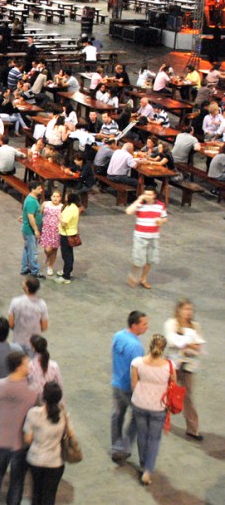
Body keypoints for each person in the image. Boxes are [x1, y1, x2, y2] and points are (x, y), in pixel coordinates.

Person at [0, 351, 39, 505]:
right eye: (26, 363)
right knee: (17, 482)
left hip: (0, 441)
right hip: (21, 445)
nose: (29, 366)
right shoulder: (33, 390)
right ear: (18, 367)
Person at [130, 334, 172, 486]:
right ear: (163, 348)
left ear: (149, 345)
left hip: (140, 404)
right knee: (154, 439)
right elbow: (172, 385)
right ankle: (148, 470)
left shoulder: (137, 363)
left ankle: (143, 464)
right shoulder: (169, 365)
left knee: (142, 435)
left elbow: (134, 384)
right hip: (158, 407)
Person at [111, 310, 148, 463]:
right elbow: (138, 371)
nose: (147, 326)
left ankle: (116, 445)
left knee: (117, 414)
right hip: (129, 387)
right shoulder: (136, 347)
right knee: (138, 417)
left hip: (116, 383)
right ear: (134, 325)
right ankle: (124, 448)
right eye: (144, 324)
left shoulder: (118, 336)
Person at [164, 298, 204, 441]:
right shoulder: (171, 324)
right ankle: (159, 417)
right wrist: (189, 342)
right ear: (179, 310)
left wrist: (185, 343)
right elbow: (172, 341)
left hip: (189, 366)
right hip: (173, 364)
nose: (188, 312)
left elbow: (198, 347)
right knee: (167, 390)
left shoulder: (195, 326)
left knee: (188, 397)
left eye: (190, 309)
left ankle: (193, 429)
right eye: (186, 309)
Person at [23, 382, 69, 505]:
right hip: (55, 462)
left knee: (36, 494)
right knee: (49, 496)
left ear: (43, 396)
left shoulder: (33, 413)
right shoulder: (64, 415)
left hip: (35, 460)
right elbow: (67, 434)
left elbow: (27, 440)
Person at [125, 187, 167, 290]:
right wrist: (139, 200)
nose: (147, 196)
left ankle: (143, 278)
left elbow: (164, 218)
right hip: (140, 236)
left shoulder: (160, 206)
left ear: (154, 195)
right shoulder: (140, 205)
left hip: (153, 237)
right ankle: (134, 275)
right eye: (145, 194)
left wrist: (161, 221)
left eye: (149, 194)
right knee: (138, 260)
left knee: (149, 260)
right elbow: (128, 211)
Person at [8, 275, 48, 354]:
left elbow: (11, 323)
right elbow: (44, 326)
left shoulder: (15, 302)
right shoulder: (42, 304)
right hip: (34, 344)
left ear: (26, 288)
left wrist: (18, 329)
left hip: (18, 342)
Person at [28, 335, 63, 403]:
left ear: (33, 348)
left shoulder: (29, 366)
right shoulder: (54, 365)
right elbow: (60, 385)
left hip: (36, 402)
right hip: (52, 401)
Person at [57, 192, 81, 284]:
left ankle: (66, 276)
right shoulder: (70, 206)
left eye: (67, 196)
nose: (65, 197)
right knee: (68, 254)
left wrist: (59, 217)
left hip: (67, 235)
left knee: (67, 255)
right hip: (67, 233)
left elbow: (64, 222)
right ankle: (66, 271)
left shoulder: (72, 209)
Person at [39, 188, 62, 277]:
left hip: (56, 231)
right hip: (46, 230)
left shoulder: (62, 207)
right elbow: (39, 213)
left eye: (57, 196)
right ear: (51, 197)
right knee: (47, 249)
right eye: (54, 196)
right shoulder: (46, 204)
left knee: (54, 249)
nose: (55, 198)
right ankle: (48, 256)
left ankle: (50, 266)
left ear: (60, 198)